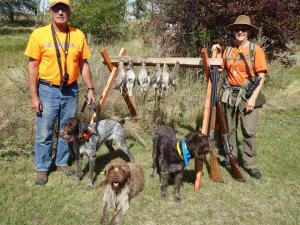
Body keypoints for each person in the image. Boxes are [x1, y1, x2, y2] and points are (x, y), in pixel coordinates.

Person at [25, 0, 95, 185]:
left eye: (64, 8)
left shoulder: (78, 35)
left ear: (69, 12)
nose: (60, 12)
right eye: (57, 8)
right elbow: (33, 67)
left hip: (71, 90)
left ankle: (63, 161)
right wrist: (34, 96)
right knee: (44, 131)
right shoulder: (38, 35)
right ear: (50, 12)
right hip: (47, 90)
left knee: (69, 129)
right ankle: (42, 167)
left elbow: (83, 64)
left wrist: (90, 88)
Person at [213, 15, 267, 179]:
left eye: (244, 29)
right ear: (233, 31)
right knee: (229, 129)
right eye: (237, 29)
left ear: (249, 31)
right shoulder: (228, 50)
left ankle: (250, 164)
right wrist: (216, 52)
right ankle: (232, 158)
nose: (240, 31)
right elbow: (218, 69)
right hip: (230, 94)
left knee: (248, 131)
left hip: (248, 94)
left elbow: (261, 76)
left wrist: (252, 99)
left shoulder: (255, 50)